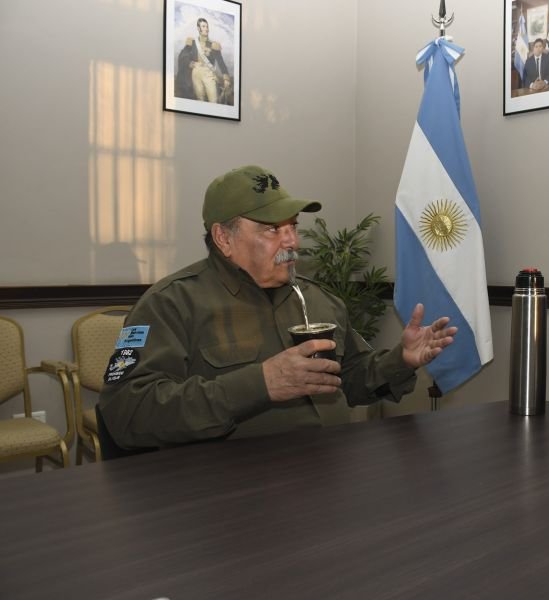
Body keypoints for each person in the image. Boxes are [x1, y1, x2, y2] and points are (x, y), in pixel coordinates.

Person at [99, 165, 457, 449]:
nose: (292, 241)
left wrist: (401, 360)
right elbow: (127, 413)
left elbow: (349, 377)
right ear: (224, 238)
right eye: (272, 229)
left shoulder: (319, 300)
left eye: (293, 227)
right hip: (226, 498)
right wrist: (259, 384)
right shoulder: (170, 304)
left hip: (329, 478)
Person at [175, 17, 232, 104]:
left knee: (214, 100)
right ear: (198, 28)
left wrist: (226, 78)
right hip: (195, 74)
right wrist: (190, 63)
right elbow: (182, 56)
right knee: (200, 100)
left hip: (209, 74)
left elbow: (221, 62)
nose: (206, 29)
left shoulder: (213, 45)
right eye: (203, 26)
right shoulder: (192, 43)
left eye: (207, 26)